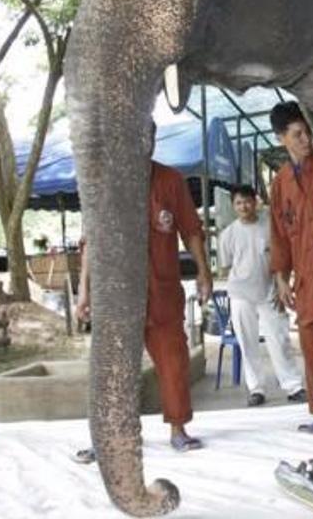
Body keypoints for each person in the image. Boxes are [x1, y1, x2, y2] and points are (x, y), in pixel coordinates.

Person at [75, 161, 213, 460]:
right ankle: (107, 438)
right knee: (113, 370)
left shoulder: (170, 180)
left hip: (162, 292)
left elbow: (191, 229)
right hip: (117, 296)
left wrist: (204, 271)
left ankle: (178, 429)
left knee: (174, 362)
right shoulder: (104, 178)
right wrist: (83, 290)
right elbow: (91, 241)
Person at [268, 102, 313, 434]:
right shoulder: (281, 182)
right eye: (297, 134)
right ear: (281, 138)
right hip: (307, 278)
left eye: (307, 131)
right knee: (311, 344)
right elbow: (279, 233)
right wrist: (281, 278)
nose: (306, 139)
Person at [217, 184, 306, 407]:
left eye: (247, 201)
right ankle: (256, 388)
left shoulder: (270, 227)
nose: (243, 207)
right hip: (241, 295)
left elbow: (283, 258)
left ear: (255, 202)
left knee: (279, 339)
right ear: (233, 206)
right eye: (238, 203)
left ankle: (293, 386)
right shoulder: (228, 234)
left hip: (270, 293)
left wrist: (281, 284)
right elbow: (225, 268)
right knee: (247, 344)